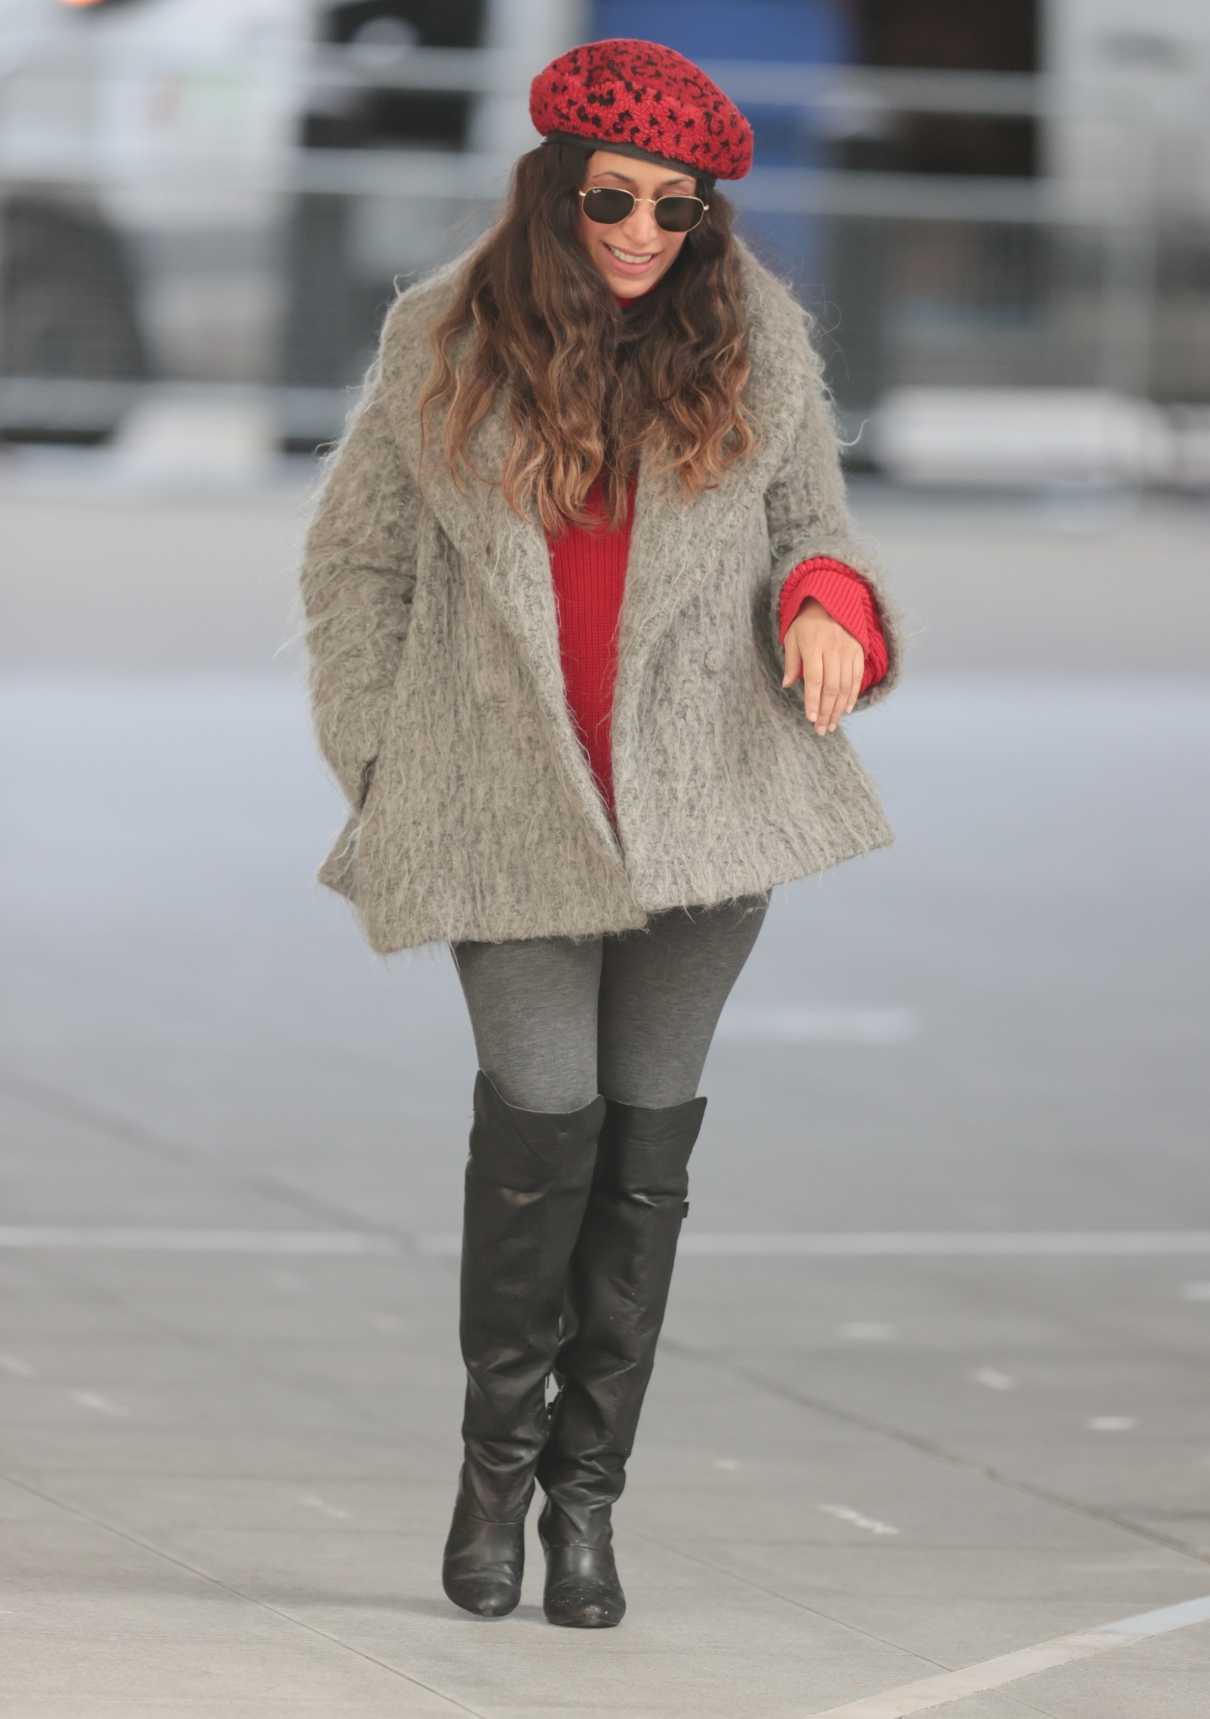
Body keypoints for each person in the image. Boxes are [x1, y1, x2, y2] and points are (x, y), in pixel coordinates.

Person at [296, 37, 906, 1630]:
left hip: (704, 808)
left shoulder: (753, 336)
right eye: (614, 199)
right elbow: (354, 569)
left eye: (679, 210)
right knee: (537, 1124)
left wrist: (831, 610)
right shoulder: (439, 335)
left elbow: (812, 532)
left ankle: (584, 1507)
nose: (644, 233)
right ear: (549, 188)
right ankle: (488, 1477)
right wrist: (377, 755)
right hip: (503, 806)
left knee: (643, 1147)